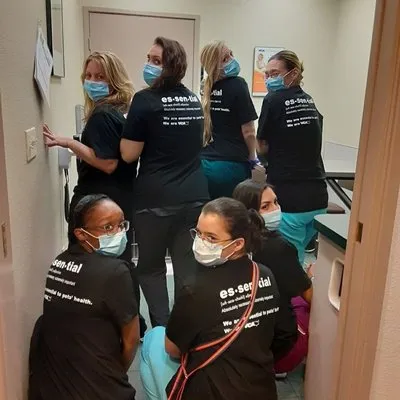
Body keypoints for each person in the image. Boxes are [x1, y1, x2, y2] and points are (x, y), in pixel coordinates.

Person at [140, 198, 293, 400]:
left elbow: (173, 349)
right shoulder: (264, 274)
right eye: (198, 233)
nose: (201, 242)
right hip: (260, 388)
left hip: (208, 391)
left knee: (153, 338)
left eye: (211, 238)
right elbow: (284, 334)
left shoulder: (194, 289)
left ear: (238, 244)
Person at [42, 51, 146, 336]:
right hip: (122, 199)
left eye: (100, 76)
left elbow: (107, 162)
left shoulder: (102, 115)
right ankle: (132, 324)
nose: (92, 82)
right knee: (121, 264)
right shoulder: (121, 112)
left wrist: (68, 143)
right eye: (88, 76)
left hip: (99, 202)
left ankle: (101, 326)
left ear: (113, 79)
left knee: (90, 266)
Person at [120, 37, 209, 327]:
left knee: (151, 269)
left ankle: (161, 329)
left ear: (173, 65)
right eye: (149, 59)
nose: (149, 65)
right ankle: (183, 332)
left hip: (155, 200)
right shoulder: (194, 100)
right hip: (194, 197)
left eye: (156, 61)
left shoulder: (144, 100)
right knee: (187, 269)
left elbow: (129, 154)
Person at [28, 195, 139, 400]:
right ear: (80, 233)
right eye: (107, 227)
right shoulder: (116, 272)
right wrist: (114, 375)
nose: (119, 232)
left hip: (53, 389)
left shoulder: (58, 263)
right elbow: (131, 341)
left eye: (121, 224)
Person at [233, 179, 313, 374]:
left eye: (276, 202)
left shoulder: (234, 244)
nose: (275, 210)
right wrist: (310, 278)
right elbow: (311, 296)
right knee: (315, 309)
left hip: (240, 341)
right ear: (250, 212)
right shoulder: (279, 248)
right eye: (266, 206)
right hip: (280, 348)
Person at [257, 50, 328, 265]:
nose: (269, 79)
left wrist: (264, 160)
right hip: (318, 197)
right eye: (267, 74)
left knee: (290, 261)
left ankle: (297, 286)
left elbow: (261, 144)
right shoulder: (309, 101)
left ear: (294, 73)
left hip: (290, 198)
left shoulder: (273, 100)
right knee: (301, 256)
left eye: (275, 73)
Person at [200, 41, 259, 199]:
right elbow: (249, 131)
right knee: (232, 212)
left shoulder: (206, 87)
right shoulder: (238, 84)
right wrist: (253, 158)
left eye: (231, 54)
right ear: (214, 66)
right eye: (225, 59)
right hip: (231, 166)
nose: (232, 59)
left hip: (205, 165)